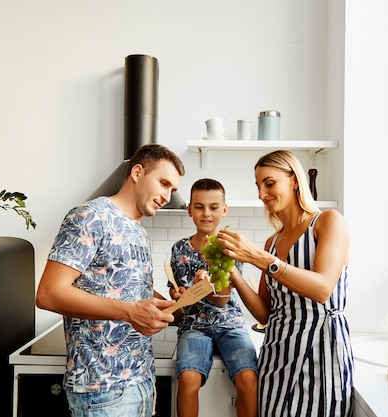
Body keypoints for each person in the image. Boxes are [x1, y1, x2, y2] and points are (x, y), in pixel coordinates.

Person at [35, 143, 185, 417]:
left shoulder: (139, 232)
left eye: (172, 190)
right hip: (101, 390)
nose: (166, 195)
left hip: (141, 382)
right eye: (163, 183)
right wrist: (130, 313)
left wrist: (164, 303)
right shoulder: (90, 216)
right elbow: (48, 293)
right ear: (137, 172)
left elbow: (123, 287)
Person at [217, 150, 353, 417]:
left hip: (321, 352)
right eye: (258, 186)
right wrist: (233, 273)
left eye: (269, 183)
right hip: (277, 353)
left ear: (294, 180)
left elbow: (323, 288)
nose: (261, 193)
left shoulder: (327, 222)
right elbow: (265, 312)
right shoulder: (272, 243)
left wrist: (260, 258)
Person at [168, 178, 258, 417]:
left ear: (224, 210)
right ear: (189, 210)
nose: (206, 213)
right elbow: (176, 296)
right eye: (199, 207)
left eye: (214, 207)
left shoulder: (230, 246)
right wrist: (177, 295)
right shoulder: (179, 249)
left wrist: (210, 286)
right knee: (188, 379)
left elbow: (222, 300)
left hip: (230, 324)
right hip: (194, 326)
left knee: (248, 378)